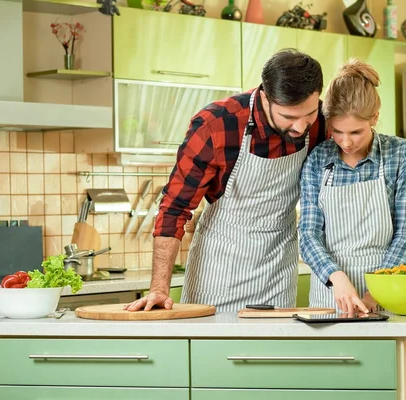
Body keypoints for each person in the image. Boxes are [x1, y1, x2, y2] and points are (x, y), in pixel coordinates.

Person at [127, 49, 327, 312]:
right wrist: (159, 289)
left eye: (308, 115)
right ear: (265, 97)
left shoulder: (322, 122)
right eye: (288, 117)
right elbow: (175, 208)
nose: (301, 128)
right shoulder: (217, 125)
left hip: (278, 268)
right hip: (218, 270)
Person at [298, 59, 406, 314]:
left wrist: (374, 293)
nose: (345, 142)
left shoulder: (401, 155)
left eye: (356, 132)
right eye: (337, 131)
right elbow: (309, 234)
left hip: (384, 295)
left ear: (375, 117)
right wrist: (337, 278)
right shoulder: (318, 159)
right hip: (329, 296)